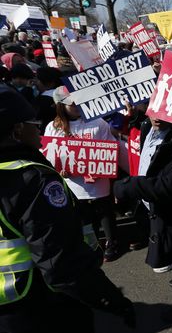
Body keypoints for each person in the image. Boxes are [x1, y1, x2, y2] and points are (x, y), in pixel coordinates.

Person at [0, 86, 134, 333]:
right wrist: (112, 301)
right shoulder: (33, 180)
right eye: (32, 122)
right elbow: (61, 263)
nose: (38, 127)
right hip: (40, 303)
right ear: (17, 129)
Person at [113, 117, 172, 324]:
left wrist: (128, 186)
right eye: (152, 108)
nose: (157, 116)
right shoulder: (147, 127)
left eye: (163, 109)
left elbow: (169, 186)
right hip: (159, 210)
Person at [44, 86, 120, 262]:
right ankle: (94, 245)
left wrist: (103, 166)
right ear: (61, 105)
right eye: (72, 104)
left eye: (80, 101)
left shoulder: (98, 123)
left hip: (99, 181)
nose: (77, 105)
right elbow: (49, 155)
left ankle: (112, 243)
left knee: (105, 213)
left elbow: (111, 146)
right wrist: (58, 169)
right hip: (73, 184)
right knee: (84, 217)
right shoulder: (53, 127)